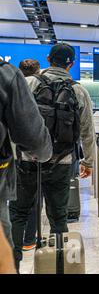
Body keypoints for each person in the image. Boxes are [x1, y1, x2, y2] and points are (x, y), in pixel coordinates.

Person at [9, 43, 95, 270]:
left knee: (18, 213)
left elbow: (11, 122)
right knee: (58, 217)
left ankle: (12, 266)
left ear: (48, 59)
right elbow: (87, 130)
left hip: (26, 160)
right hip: (63, 162)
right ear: (72, 64)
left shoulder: (28, 83)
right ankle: (60, 267)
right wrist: (88, 162)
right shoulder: (79, 91)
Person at [0, 59, 52, 273]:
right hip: (34, 161)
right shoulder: (6, 76)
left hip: (18, 167)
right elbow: (33, 137)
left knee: (19, 210)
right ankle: (32, 243)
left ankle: (22, 249)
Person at [18, 59, 43, 252]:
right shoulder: (42, 86)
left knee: (16, 202)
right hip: (37, 153)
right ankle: (29, 239)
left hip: (13, 154)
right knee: (35, 197)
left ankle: (13, 243)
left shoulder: (14, 87)